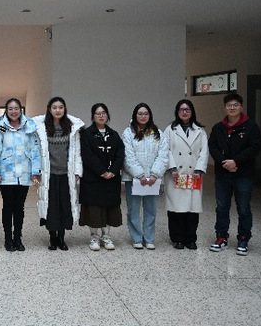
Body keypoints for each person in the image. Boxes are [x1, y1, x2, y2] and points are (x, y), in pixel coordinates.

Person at [208, 93, 261, 256]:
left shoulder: (251, 127)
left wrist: (236, 162)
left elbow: (254, 147)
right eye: (229, 105)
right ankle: (221, 237)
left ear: (241, 107)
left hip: (243, 174)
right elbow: (213, 147)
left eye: (235, 105)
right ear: (225, 108)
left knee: (243, 208)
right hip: (223, 174)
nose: (232, 108)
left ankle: (243, 238)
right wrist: (225, 162)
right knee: (222, 207)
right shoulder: (218, 128)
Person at [33, 97, 84, 251]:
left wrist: (77, 171)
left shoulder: (72, 127)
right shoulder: (42, 127)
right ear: (49, 110)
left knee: (64, 206)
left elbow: (77, 151)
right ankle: (52, 237)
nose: (57, 110)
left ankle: (61, 238)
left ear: (65, 109)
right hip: (49, 173)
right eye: (54, 107)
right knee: (51, 206)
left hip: (66, 174)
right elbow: (36, 150)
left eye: (60, 107)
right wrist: (37, 171)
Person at [0, 98, 41, 252]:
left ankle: (18, 238)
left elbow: (34, 150)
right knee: (8, 206)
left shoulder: (29, 126)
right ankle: (8, 239)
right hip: (6, 174)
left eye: (16, 108)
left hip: (24, 173)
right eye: (10, 109)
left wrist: (36, 171)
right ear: (6, 110)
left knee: (19, 207)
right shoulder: (1, 126)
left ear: (21, 110)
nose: (13, 111)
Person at [163, 99, 208, 250]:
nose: (184, 112)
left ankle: (190, 238)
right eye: (181, 110)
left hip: (193, 175)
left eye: (187, 109)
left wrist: (199, 169)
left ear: (192, 112)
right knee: (176, 208)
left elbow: (204, 151)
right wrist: (172, 168)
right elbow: (166, 150)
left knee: (192, 209)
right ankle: (177, 238)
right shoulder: (170, 129)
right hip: (176, 175)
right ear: (177, 112)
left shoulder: (200, 131)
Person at [122, 103, 168, 249]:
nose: (143, 116)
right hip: (133, 179)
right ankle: (136, 238)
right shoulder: (128, 133)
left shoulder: (158, 133)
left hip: (153, 180)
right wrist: (139, 174)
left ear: (150, 116)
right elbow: (127, 156)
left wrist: (155, 174)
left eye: (146, 114)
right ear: (135, 115)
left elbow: (163, 155)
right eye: (140, 113)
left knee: (151, 210)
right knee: (133, 210)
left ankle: (149, 238)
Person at [79, 103, 125, 251]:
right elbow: (87, 155)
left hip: (111, 179)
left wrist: (112, 171)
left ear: (108, 115)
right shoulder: (87, 134)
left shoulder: (114, 135)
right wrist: (101, 171)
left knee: (109, 208)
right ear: (93, 116)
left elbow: (120, 154)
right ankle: (94, 236)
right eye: (97, 113)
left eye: (103, 113)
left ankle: (106, 236)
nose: (101, 116)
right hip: (93, 179)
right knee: (94, 209)